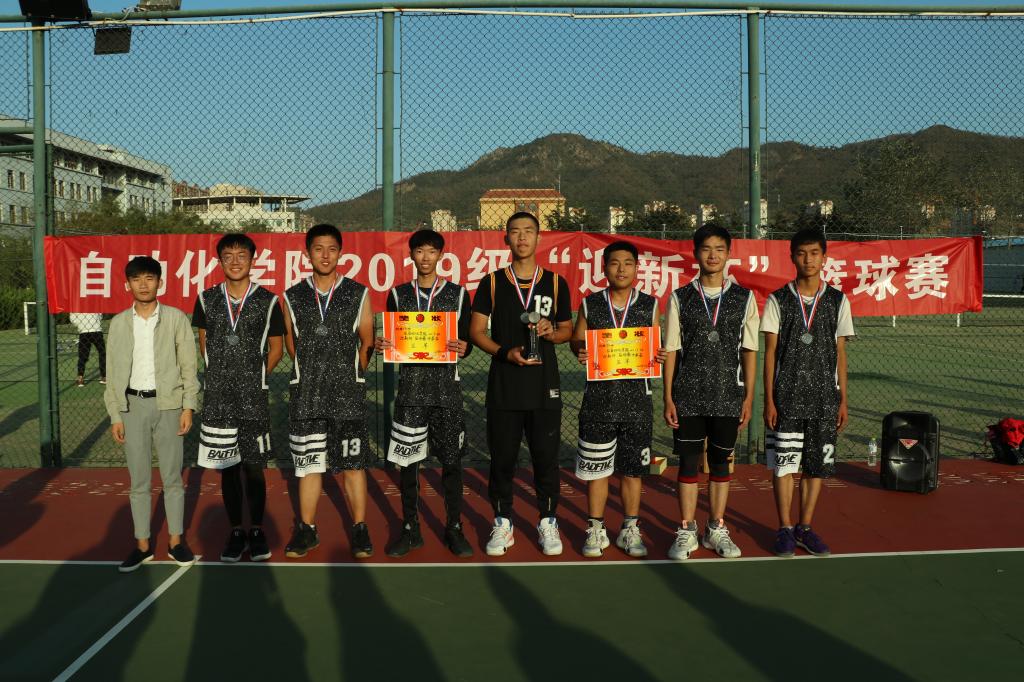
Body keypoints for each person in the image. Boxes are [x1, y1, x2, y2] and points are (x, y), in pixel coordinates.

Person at [470, 212, 573, 556]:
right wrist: (504, 352)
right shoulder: (492, 282)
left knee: (546, 459)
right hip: (505, 385)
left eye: (529, 231)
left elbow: (567, 330)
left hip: (544, 386)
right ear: (506, 239)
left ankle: (548, 520)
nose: (522, 237)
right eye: (515, 232)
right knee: (502, 460)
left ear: (539, 237)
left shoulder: (556, 283)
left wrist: (551, 331)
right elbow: (476, 331)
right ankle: (503, 522)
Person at [662, 225, 759, 560]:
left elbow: (749, 350)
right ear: (696, 254)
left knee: (720, 464)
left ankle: (715, 527)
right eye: (706, 248)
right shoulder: (680, 297)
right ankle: (687, 529)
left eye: (719, 249)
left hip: (728, 395)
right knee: (688, 463)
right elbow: (671, 349)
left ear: (728, 253)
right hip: (688, 395)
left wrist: (748, 396)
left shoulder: (744, 298)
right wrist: (668, 396)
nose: (713, 255)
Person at [376, 229, 474, 558]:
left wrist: (465, 347)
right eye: (420, 251)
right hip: (411, 392)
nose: (426, 257)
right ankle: (410, 528)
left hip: (447, 392)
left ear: (441, 255)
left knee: (452, 464)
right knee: (409, 464)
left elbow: (466, 342)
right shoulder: (398, 294)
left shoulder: (459, 295)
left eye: (432, 251)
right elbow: (393, 338)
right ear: (411, 256)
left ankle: (454, 527)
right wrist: (384, 344)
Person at [281, 224, 375, 559]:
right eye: (318, 248)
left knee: (352, 464)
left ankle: (360, 527)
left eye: (332, 249)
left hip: (347, 395)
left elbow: (367, 339)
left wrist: (350, 375)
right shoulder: (292, 295)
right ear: (307, 253)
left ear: (340, 253)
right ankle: (307, 529)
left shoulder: (358, 292)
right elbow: (291, 343)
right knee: (309, 465)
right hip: (307, 396)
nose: (325, 255)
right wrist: (312, 373)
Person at [192, 233, 285, 563]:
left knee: (254, 467)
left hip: (253, 397)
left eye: (241, 255)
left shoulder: (268, 300)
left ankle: (256, 530)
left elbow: (276, 348)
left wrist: (255, 376)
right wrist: (222, 376)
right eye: (228, 255)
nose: (235, 261)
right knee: (228, 467)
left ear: (252, 260)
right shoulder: (206, 299)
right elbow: (204, 343)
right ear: (219, 261)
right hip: (219, 398)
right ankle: (235, 531)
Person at [762, 228, 855, 557]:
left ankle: (805, 527)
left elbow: (840, 351)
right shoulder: (778, 299)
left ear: (824, 258)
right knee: (785, 466)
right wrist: (769, 399)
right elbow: (770, 353)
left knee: (816, 467)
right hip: (786, 398)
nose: (808, 259)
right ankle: (785, 528)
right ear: (792, 258)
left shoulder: (838, 300)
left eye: (815, 253)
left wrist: (843, 398)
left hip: (824, 399)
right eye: (802, 253)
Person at [103, 256, 198, 573]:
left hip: (168, 405)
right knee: (139, 480)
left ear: (160, 282)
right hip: (132, 407)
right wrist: (116, 414)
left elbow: (189, 366)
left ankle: (175, 541)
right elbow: (112, 372)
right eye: (137, 279)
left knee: (172, 478)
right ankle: (142, 545)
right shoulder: (119, 323)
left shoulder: (175, 319)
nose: (143, 284)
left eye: (149, 278)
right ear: (127, 284)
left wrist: (188, 406)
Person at [569, 240, 662, 558]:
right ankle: (596, 528)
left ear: (637, 268)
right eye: (614, 263)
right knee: (597, 471)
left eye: (628, 263)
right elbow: (577, 338)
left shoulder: (649, 304)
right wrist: (581, 348)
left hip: (637, 401)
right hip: (599, 400)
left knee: (633, 470)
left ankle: (629, 528)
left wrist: (658, 353)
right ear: (604, 268)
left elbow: (655, 343)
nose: (621, 269)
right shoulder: (590, 303)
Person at [71, 312, 106, 387]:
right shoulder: (94, 304)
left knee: (83, 355)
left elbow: (73, 319)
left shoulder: (76, 305)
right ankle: (104, 376)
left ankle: (80, 378)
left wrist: (81, 324)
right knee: (102, 353)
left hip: (86, 331)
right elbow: (100, 315)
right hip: (95, 330)